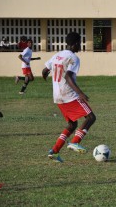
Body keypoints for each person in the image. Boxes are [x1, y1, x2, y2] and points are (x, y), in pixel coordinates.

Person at [42, 32, 96, 162]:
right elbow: (68, 76)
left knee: (72, 124)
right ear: (76, 43)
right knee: (91, 117)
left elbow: (44, 71)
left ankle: (54, 151)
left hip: (57, 96)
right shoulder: (73, 58)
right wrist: (80, 93)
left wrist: (48, 77)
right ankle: (75, 142)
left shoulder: (57, 55)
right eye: (80, 43)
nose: (80, 46)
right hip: (69, 94)